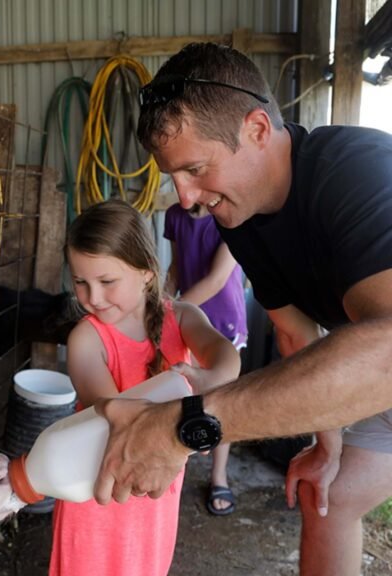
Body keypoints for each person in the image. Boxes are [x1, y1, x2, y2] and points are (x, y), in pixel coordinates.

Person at [92, 41, 392, 576]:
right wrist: (326, 446)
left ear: (257, 129)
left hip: (381, 361)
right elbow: (297, 336)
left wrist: (185, 427)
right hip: (370, 368)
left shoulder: (359, 171)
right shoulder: (243, 217)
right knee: (327, 496)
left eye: (196, 169)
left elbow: (387, 355)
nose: (184, 198)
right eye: (173, 177)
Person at [50, 199, 240, 576]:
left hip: (155, 496)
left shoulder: (182, 316)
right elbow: (120, 412)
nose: (93, 297)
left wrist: (214, 379)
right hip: (98, 494)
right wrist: (190, 419)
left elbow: (224, 354)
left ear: (147, 273)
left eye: (107, 282)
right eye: (80, 282)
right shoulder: (86, 338)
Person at [163, 202, 248, 515]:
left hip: (222, 320)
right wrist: (163, 299)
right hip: (187, 319)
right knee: (184, 392)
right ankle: (175, 467)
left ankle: (218, 475)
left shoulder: (229, 216)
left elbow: (216, 279)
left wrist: (169, 311)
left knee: (220, 399)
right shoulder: (174, 216)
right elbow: (175, 267)